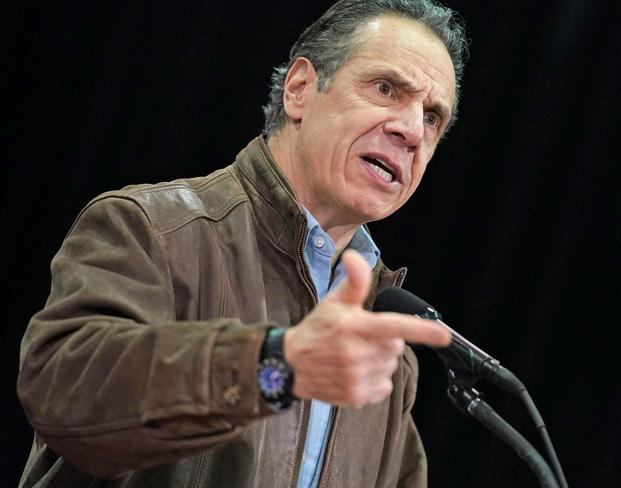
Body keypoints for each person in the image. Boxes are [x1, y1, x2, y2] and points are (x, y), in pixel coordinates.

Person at [17, 0, 468, 486]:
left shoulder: (382, 351)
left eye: (432, 118)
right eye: (386, 89)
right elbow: (66, 394)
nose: (410, 131)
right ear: (300, 89)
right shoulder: (154, 230)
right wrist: (275, 366)